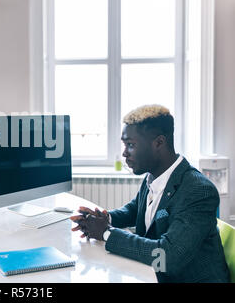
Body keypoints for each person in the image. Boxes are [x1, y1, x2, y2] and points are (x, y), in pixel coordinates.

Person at [71, 105, 230, 283]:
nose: (124, 152)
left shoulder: (198, 191)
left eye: (130, 145)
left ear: (159, 143)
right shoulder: (154, 175)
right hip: (154, 275)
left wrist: (107, 233)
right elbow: (135, 210)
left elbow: (167, 258)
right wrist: (103, 219)